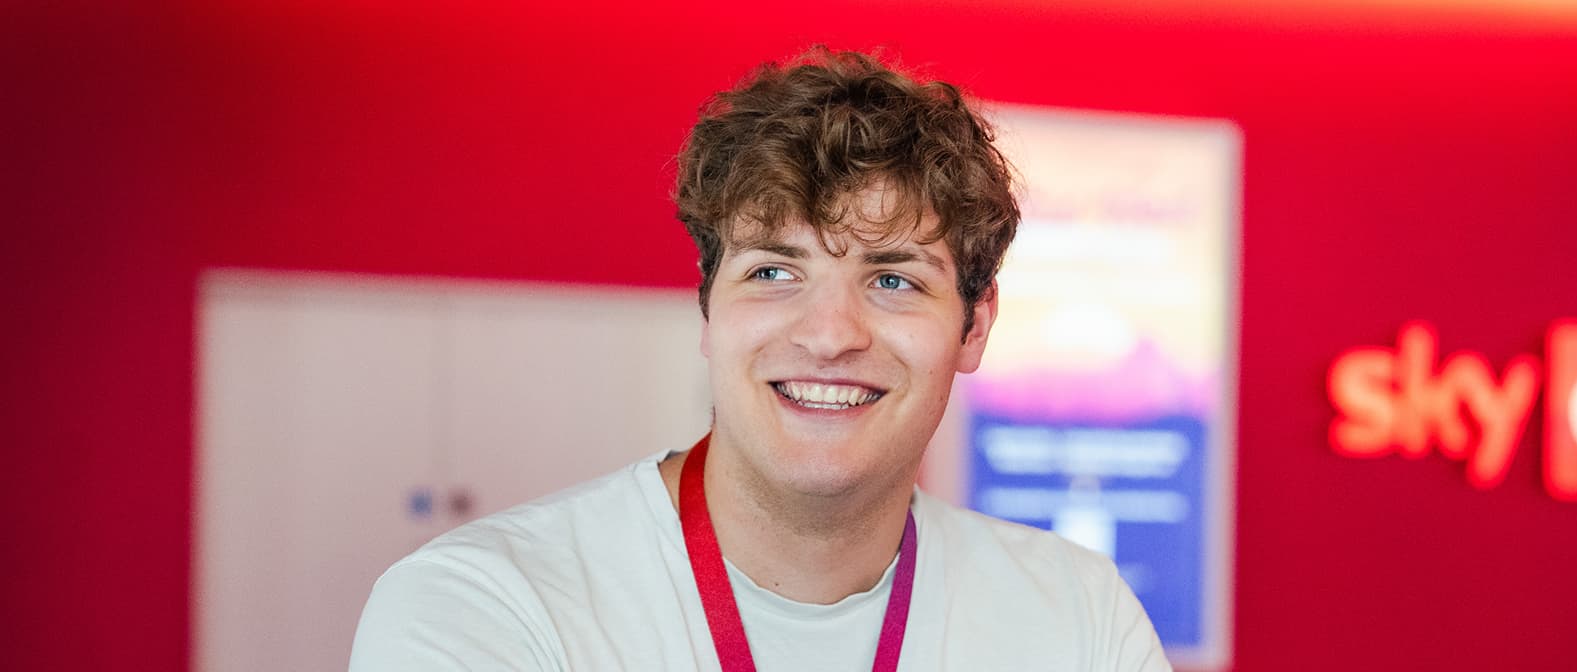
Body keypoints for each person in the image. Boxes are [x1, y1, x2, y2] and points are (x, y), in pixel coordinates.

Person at [349, 47, 1171, 672]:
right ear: (709, 310)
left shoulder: (1078, 623)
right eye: (774, 271)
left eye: (892, 278)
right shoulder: (489, 609)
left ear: (975, 326)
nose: (828, 333)